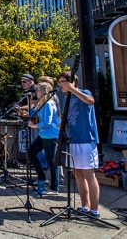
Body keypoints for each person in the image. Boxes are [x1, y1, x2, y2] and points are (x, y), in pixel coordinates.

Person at [57, 71, 101, 218]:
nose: (60, 84)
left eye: (62, 81)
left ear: (70, 82)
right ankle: (84, 206)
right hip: (73, 139)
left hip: (86, 139)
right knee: (78, 174)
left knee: (89, 174)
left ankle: (94, 209)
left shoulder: (83, 92)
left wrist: (73, 90)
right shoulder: (65, 100)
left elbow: (90, 101)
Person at [28, 82, 60, 196]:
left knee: (51, 160)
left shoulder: (48, 104)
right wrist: (31, 102)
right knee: (31, 151)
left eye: (37, 90)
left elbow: (47, 122)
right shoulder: (41, 103)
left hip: (50, 134)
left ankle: (54, 187)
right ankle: (41, 176)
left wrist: (35, 126)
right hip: (43, 134)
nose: (36, 92)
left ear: (42, 91)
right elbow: (32, 114)